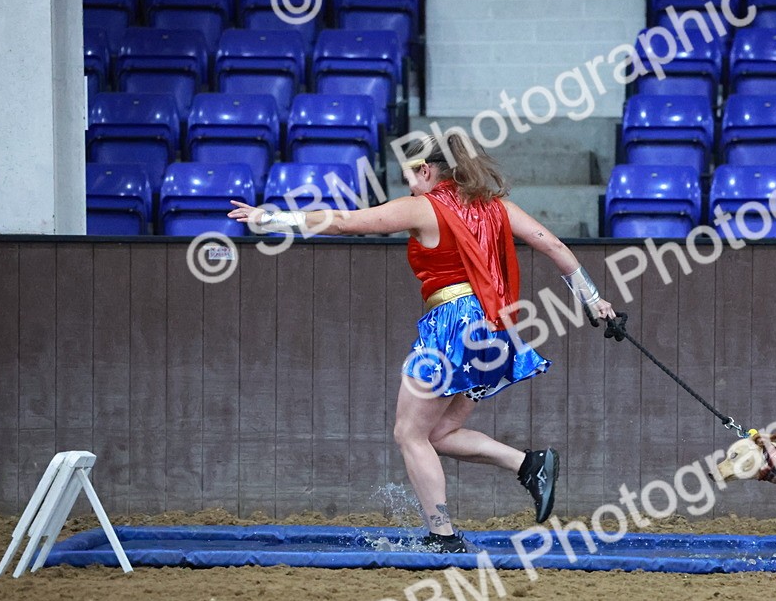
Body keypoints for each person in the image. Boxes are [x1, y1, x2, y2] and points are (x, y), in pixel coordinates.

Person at [228, 134, 615, 552]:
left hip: (454, 325)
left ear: (427, 171)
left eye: (411, 176)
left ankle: (442, 535)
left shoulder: (423, 207)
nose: (409, 186)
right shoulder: (497, 206)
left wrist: (268, 220)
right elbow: (552, 244)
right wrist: (594, 302)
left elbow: (343, 222)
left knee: (409, 433)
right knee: (440, 432)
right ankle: (528, 465)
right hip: (496, 330)